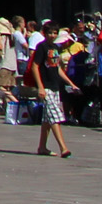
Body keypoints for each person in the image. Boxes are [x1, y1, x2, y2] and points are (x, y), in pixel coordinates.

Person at [28, 28, 75, 158]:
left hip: (55, 87)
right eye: (50, 33)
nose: (52, 35)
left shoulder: (55, 47)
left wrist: (70, 83)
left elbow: (57, 67)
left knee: (47, 119)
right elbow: (35, 66)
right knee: (55, 117)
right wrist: (40, 87)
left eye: (55, 33)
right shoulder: (41, 47)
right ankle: (63, 148)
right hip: (46, 86)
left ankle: (42, 147)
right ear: (44, 33)